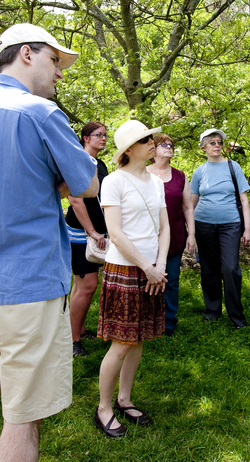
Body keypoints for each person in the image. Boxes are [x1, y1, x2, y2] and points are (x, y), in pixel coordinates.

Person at [0, 23, 98, 462]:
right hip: (27, 285)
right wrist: (59, 179)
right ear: (26, 54)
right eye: (55, 60)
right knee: (22, 416)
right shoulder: (40, 112)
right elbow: (86, 183)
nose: (59, 74)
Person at [95, 119, 168, 438]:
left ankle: (124, 399)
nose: (152, 143)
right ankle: (103, 409)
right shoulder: (114, 182)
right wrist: (146, 266)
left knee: (138, 338)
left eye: (151, 138)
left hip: (153, 268)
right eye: (145, 140)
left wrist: (159, 264)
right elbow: (115, 233)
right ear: (129, 150)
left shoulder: (156, 181)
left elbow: (164, 227)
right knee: (122, 341)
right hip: (125, 268)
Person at [191, 128, 250, 328]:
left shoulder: (234, 167)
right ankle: (212, 312)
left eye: (219, 142)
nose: (217, 146)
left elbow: (243, 199)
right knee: (209, 268)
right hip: (203, 224)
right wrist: (189, 231)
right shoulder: (199, 171)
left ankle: (236, 316)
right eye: (212, 143)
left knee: (230, 268)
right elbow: (191, 203)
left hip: (230, 224)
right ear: (203, 148)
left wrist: (248, 228)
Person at [66, 121, 110, 357]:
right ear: (85, 138)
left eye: (105, 135)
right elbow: (76, 200)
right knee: (88, 285)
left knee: (81, 286)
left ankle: (79, 330)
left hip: (98, 231)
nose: (103, 139)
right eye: (98, 135)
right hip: (80, 233)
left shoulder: (99, 164)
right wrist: (92, 231)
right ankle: (72, 340)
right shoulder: (78, 162)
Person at [146, 133, 196, 335]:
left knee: (171, 279)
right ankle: (147, 319)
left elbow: (187, 207)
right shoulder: (143, 174)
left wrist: (191, 234)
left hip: (174, 236)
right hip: (147, 237)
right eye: (164, 144)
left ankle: (168, 323)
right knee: (147, 280)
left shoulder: (180, 176)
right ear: (153, 150)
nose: (169, 147)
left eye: (171, 145)